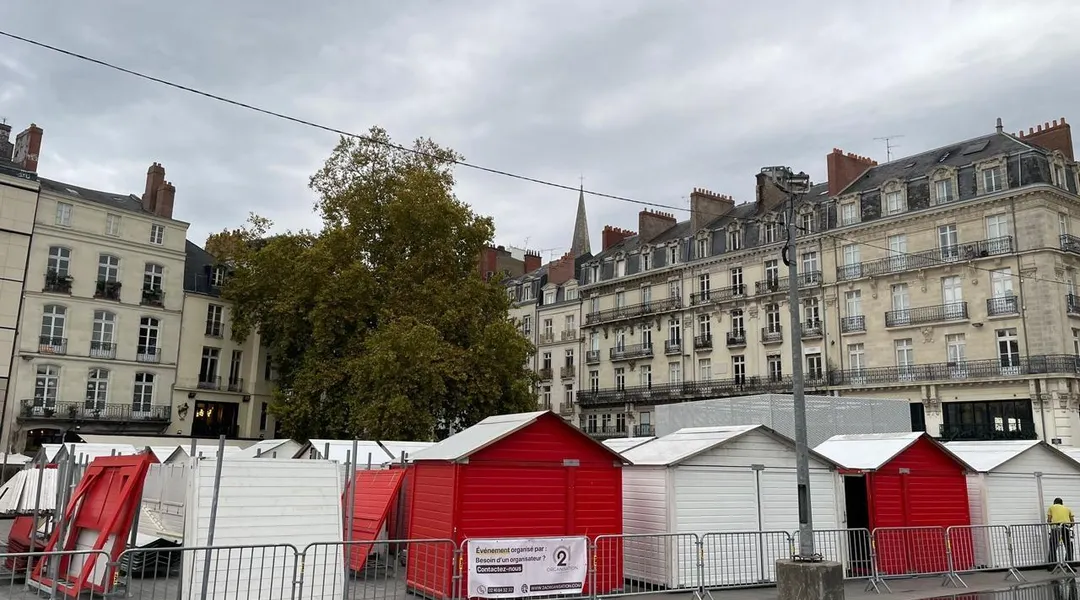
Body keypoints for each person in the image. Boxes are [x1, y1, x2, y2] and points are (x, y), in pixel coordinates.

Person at [1047, 497, 1075, 569]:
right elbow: (1072, 521)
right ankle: (1069, 565)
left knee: (1053, 546)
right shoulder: (1067, 508)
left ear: (1054, 502)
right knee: (1069, 546)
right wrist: (1069, 526)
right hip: (1065, 528)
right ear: (1062, 503)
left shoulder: (1051, 507)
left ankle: (1052, 565)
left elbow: (1049, 519)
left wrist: (1051, 525)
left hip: (1056, 528)